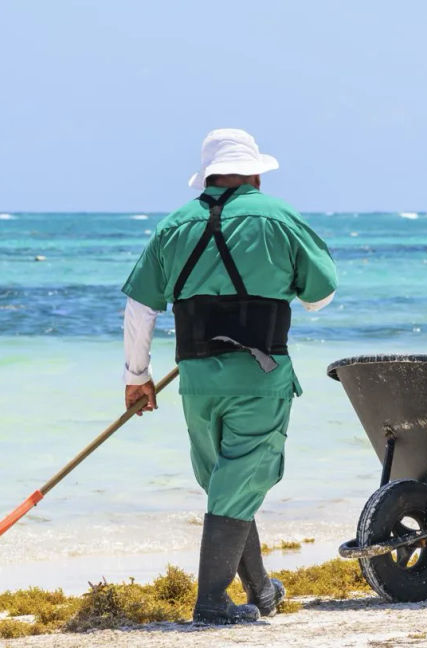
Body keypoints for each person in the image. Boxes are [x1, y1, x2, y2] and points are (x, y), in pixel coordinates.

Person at [119, 128, 337, 624]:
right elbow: (319, 295)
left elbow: (140, 307)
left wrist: (138, 376)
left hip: (196, 379)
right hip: (259, 375)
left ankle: (261, 589)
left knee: (226, 483)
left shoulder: (174, 226)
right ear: (256, 171)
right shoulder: (278, 216)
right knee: (239, 481)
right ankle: (211, 602)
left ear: (208, 175)